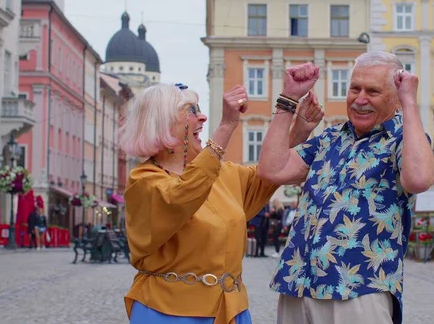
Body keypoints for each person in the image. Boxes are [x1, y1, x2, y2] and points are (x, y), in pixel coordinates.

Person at [117, 82, 323, 324]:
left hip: (229, 310)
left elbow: (269, 175)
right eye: (191, 111)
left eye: (199, 109)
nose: (202, 117)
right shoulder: (144, 181)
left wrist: (298, 131)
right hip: (169, 312)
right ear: (162, 123)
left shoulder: (224, 174)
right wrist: (226, 126)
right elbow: (182, 196)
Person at [257, 52, 434, 324]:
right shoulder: (330, 138)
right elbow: (271, 170)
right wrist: (288, 99)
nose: (360, 99)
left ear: (395, 97)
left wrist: (410, 103)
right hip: (298, 283)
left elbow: (420, 179)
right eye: (355, 88)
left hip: (359, 288)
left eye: (373, 91)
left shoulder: (403, 140)